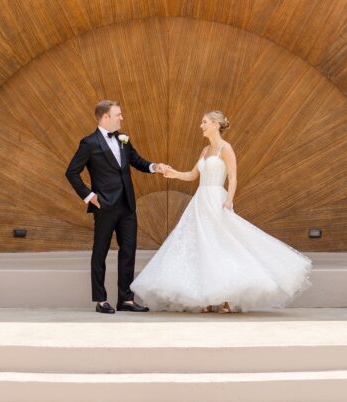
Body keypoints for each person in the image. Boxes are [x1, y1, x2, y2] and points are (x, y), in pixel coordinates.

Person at [131, 111, 312, 313]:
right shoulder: (205, 150)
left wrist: (229, 199)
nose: (201, 125)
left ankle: (226, 300)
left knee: (221, 244)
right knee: (202, 246)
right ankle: (207, 299)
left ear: (216, 125)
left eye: (204, 122)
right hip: (200, 201)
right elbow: (193, 175)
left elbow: (233, 177)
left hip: (216, 199)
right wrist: (174, 174)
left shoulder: (226, 149)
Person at [65, 100, 167, 313]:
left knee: (128, 250)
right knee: (100, 251)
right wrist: (89, 196)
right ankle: (100, 300)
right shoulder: (89, 143)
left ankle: (126, 299)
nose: (121, 118)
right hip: (104, 205)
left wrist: (154, 166)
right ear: (105, 117)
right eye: (118, 114)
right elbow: (72, 172)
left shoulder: (124, 139)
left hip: (127, 205)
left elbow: (137, 161)